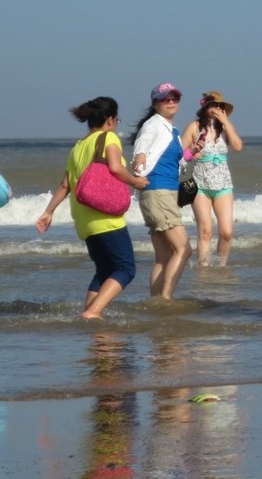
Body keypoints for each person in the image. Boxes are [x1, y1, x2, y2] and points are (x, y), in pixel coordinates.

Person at [35, 98, 148, 319]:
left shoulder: (78, 146)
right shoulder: (109, 138)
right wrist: (136, 181)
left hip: (84, 221)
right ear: (110, 119)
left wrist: (48, 212)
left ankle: (89, 311)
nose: (116, 124)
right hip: (105, 217)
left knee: (104, 270)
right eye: (117, 119)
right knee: (126, 268)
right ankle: (94, 311)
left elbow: (65, 185)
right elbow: (115, 167)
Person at [131, 82, 192, 299]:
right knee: (184, 249)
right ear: (156, 103)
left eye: (175, 98)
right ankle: (166, 299)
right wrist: (139, 158)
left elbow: (169, 159)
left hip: (162, 193)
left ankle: (156, 301)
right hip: (158, 192)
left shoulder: (171, 130)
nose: (171, 102)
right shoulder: (154, 124)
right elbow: (142, 145)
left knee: (164, 257)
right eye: (166, 98)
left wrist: (191, 153)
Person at [181, 91, 243, 266]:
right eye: (213, 105)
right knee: (206, 231)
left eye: (219, 106)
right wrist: (192, 152)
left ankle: (221, 266)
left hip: (223, 184)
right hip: (200, 185)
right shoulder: (194, 127)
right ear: (205, 107)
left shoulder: (224, 129)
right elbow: (179, 153)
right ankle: (204, 268)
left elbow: (238, 146)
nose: (216, 109)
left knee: (226, 233)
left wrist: (226, 122)